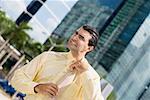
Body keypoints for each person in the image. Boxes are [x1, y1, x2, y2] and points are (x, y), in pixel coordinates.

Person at [11, 25, 104, 100]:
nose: (74, 37)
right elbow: (17, 78)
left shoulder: (92, 77)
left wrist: (85, 73)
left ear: (89, 48)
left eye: (81, 37)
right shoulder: (48, 56)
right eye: (76, 33)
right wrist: (37, 87)